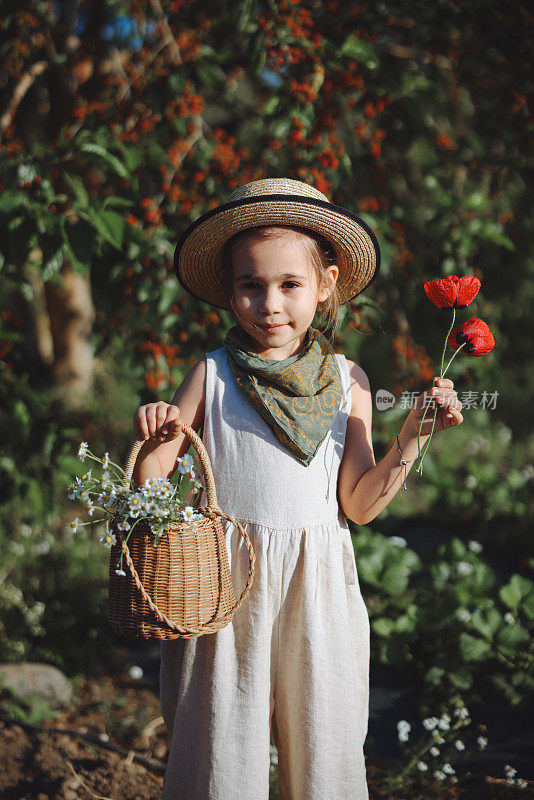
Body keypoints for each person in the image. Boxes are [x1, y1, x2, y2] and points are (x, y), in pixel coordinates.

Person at [132, 178, 463, 800]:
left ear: (326, 284)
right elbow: (151, 491)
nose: (269, 304)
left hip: (318, 594)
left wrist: (413, 435)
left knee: (324, 751)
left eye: (290, 284)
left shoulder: (349, 380)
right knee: (219, 754)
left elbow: (359, 506)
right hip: (227, 591)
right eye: (249, 285)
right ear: (230, 291)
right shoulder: (212, 374)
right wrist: (153, 435)